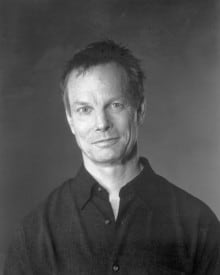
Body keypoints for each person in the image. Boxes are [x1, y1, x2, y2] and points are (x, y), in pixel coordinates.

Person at [4, 40, 220, 274]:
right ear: (70, 120)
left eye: (115, 105)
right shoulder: (34, 233)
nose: (102, 123)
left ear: (140, 110)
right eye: (84, 110)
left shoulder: (197, 223)